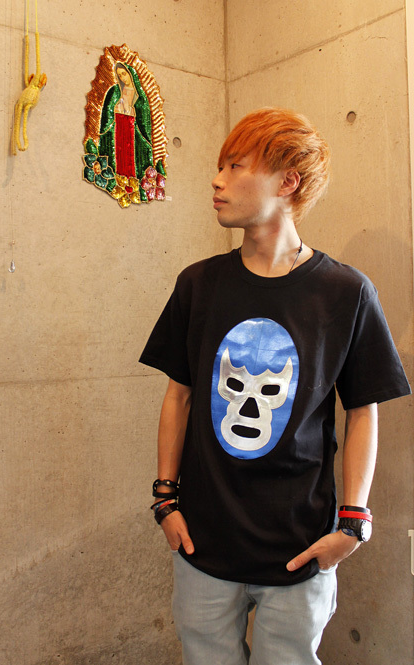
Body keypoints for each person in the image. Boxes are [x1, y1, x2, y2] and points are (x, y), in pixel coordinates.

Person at [139, 107, 410, 665]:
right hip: (202, 541)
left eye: (235, 166)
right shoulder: (198, 285)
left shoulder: (346, 292)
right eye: (220, 166)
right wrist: (165, 501)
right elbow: (179, 395)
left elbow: (363, 411)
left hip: (301, 546)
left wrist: (353, 522)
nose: (216, 180)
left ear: (288, 182)